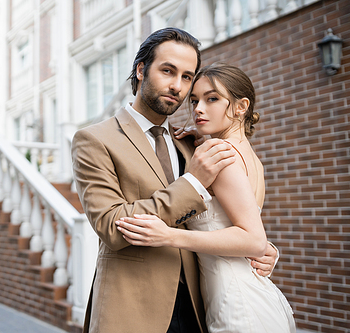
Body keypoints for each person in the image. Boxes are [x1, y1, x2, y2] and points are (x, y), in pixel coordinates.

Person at [72, 28, 278, 333]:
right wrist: (193, 183)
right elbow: (112, 226)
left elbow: (227, 216)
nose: (177, 86)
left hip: (199, 306)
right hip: (133, 310)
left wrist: (261, 248)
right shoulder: (95, 139)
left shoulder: (191, 143)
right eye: (168, 71)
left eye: (186, 77)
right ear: (141, 70)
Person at [116, 63, 296, 332]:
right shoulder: (250, 158)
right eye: (195, 100)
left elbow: (254, 240)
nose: (198, 108)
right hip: (251, 293)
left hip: (237, 306)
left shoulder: (220, 154)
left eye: (212, 99)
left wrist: (169, 236)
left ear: (241, 106)